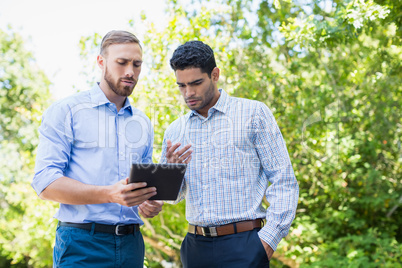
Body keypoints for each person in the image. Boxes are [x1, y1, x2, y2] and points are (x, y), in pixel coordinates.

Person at [32, 30, 191, 268]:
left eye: (137, 64)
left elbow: (141, 195)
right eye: (122, 62)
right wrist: (109, 194)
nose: (130, 71)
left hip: (132, 246)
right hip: (81, 245)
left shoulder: (143, 122)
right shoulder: (67, 111)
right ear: (101, 62)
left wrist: (149, 203)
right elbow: (45, 183)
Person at [160, 40, 299, 267]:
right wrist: (171, 171)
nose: (188, 93)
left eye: (195, 83)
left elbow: (284, 180)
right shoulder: (175, 130)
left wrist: (267, 241)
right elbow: (173, 196)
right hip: (195, 249)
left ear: (215, 74)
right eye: (181, 86)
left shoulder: (254, 113)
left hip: (245, 245)